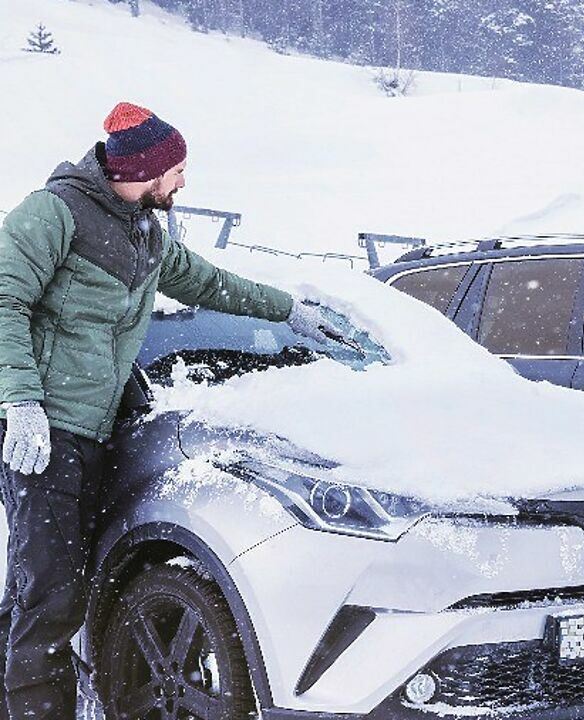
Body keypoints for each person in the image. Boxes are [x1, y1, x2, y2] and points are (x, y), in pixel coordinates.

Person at [0, 102, 341, 720]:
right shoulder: (52, 214)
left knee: (51, 588)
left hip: (97, 430)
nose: (182, 182)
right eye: (176, 170)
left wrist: (288, 310)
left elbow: (210, 284)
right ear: (142, 169)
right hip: (44, 431)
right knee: (51, 597)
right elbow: (3, 298)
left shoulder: (145, 231)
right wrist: (19, 400)